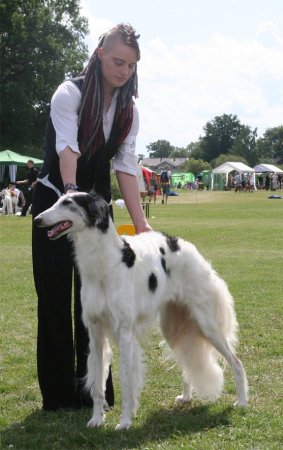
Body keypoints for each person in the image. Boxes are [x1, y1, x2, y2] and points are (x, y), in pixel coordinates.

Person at [32, 23, 152, 412]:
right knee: (53, 299)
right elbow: (68, 149)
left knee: (98, 301)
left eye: (131, 66)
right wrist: (69, 194)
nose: (124, 71)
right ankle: (59, 395)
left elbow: (126, 167)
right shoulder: (69, 93)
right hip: (57, 201)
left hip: (98, 215)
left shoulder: (129, 111)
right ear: (101, 54)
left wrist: (142, 224)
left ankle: (93, 393)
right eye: (118, 61)